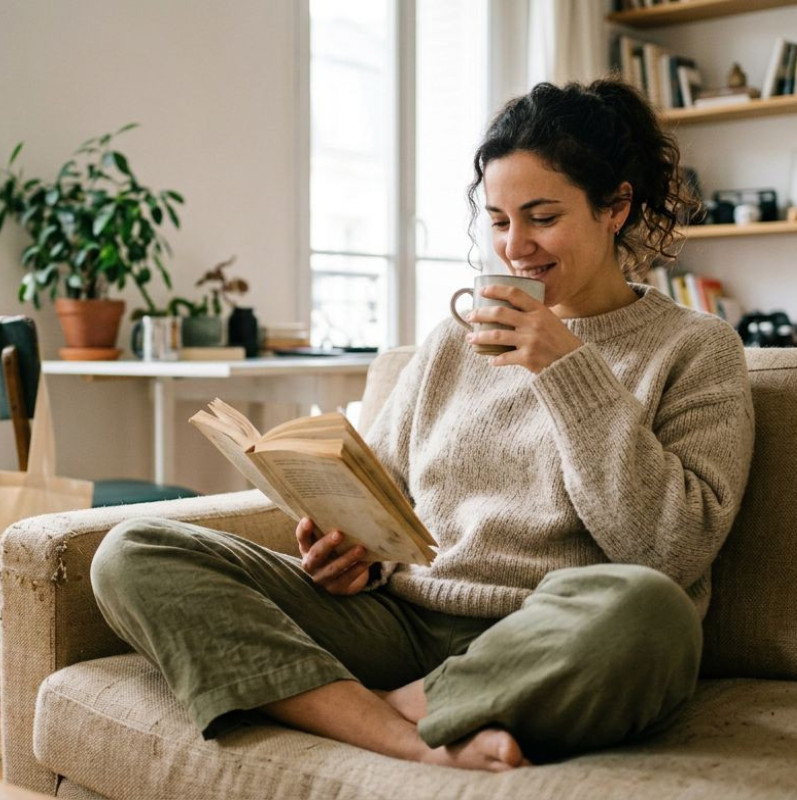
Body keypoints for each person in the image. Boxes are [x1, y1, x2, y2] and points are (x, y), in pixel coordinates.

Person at [91, 80, 755, 772]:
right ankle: (400, 731)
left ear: (614, 206)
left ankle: (372, 706)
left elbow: (668, 551)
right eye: (498, 221)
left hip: (546, 636)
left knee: (653, 613)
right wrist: (356, 556)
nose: (516, 247)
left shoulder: (696, 349)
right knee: (133, 550)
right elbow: (382, 499)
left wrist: (567, 368)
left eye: (542, 217)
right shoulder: (450, 344)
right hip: (399, 623)